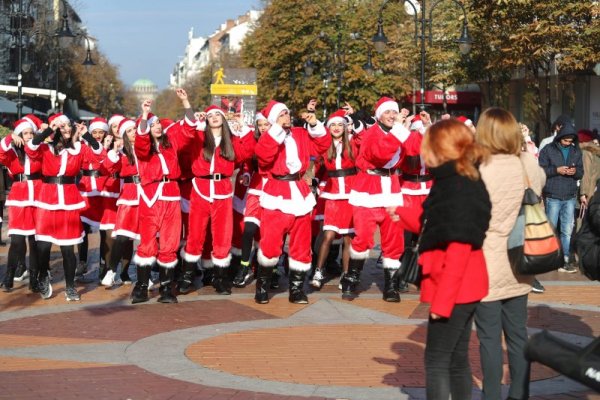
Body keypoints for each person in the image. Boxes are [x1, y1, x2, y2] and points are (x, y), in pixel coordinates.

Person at [391, 119, 491, 400]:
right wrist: (402, 214)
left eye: (428, 147)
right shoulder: (454, 180)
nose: (424, 154)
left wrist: (442, 304)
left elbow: (458, 249)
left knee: (436, 361)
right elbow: (435, 223)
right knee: (457, 359)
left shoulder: (458, 187)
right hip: (464, 286)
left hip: (456, 289)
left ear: (443, 149)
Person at [474, 107, 546, 400]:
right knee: (518, 336)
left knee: (489, 338)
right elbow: (540, 185)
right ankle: (519, 395)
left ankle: (491, 395)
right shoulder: (525, 163)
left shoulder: (479, 167)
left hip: (487, 263)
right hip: (521, 258)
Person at [254, 100, 331, 304]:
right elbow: (264, 157)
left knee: (302, 244)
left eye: (287, 113)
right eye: (281, 114)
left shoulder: (299, 133)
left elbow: (324, 145)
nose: (287, 116)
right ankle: (262, 285)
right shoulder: (268, 137)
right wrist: (277, 128)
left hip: (299, 190)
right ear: (273, 120)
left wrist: (314, 124)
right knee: (270, 245)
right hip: (276, 192)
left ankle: (296, 288)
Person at [25, 113, 102, 301]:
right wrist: (49, 130)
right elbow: (30, 147)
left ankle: (70, 287)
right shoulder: (46, 148)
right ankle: (43, 276)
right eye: (63, 126)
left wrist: (87, 135)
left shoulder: (79, 149)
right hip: (47, 199)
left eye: (69, 126)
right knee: (43, 246)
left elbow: (99, 153)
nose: (67, 129)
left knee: (68, 249)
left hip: (69, 200)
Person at [179, 104, 255, 295]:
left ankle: (220, 278)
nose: (213, 117)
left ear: (223, 119)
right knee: (195, 233)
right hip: (200, 188)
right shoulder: (199, 137)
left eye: (217, 114)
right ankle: (187, 276)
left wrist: (242, 125)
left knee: (222, 234)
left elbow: (249, 151)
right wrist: (190, 110)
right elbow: (184, 137)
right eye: (210, 115)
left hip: (222, 189)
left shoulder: (231, 141)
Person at [344, 97, 412, 302]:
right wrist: (400, 131)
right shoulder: (372, 133)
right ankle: (352, 277)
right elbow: (380, 153)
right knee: (364, 237)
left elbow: (415, 150)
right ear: (378, 115)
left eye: (395, 112)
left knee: (394, 240)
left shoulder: (398, 132)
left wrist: (417, 129)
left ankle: (391, 285)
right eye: (388, 112)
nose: (392, 116)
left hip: (391, 188)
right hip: (368, 189)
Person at [131, 89, 196, 304]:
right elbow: (140, 140)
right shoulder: (143, 148)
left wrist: (186, 101)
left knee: (170, 242)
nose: (157, 127)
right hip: (151, 197)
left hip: (171, 195)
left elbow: (188, 128)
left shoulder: (171, 143)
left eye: (158, 123)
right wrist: (144, 115)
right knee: (148, 242)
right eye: (153, 125)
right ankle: (141, 287)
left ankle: (167, 289)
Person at [310, 108, 358, 289]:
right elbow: (314, 164)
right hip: (332, 194)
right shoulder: (324, 146)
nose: (337, 128)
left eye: (340, 124)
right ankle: (318, 270)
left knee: (348, 237)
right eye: (333, 125)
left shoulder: (352, 143)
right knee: (328, 234)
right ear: (328, 128)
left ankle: (346, 275)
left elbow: (364, 138)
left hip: (350, 195)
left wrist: (355, 118)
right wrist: (310, 180)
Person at [0, 118, 42, 292]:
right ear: (19, 135)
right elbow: (1, 153)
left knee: (34, 242)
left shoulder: (39, 151)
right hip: (19, 198)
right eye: (25, 133)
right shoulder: (12, 153)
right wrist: (10, 138)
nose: (29, 136)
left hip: (37, 197)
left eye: (31, 133)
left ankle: (34, 278)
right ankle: (9, 275)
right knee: (17, 240)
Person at [538, 121, 584, 273]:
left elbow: (581, 172)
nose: (567, 143)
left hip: (570, 195)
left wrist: (574, 172)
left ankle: (565, 259)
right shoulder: (547, 149)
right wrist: (556, 170)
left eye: (570, 141)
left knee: (566, 230)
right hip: (553, 195)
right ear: (560, 137)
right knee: (551, 228)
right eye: (565, 140)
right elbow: (541, 170)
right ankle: (548, 259)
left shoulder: (576, 151)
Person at [100, 118, 139, 287]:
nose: (134, 133)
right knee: (122, 236)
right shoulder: (121, 153)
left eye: (135, 129)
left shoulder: (147, 149)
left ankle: (143, 276)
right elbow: (106, 168)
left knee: (146, 238)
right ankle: (111, 270)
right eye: (130, 131)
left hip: (149, 195)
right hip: (128, 195)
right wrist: (114, 152)